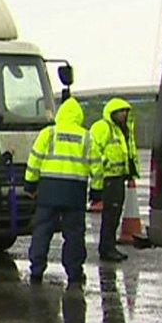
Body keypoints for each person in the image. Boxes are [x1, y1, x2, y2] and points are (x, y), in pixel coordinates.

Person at [24, 97, 102, 289]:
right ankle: (74, 273)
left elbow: (34, 162)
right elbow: (97, 167)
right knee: (74, 235)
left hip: (49, 192)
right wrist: (97, 192)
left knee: (42, 231)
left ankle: (36, 270)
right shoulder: (86, 137)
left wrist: (30, 187)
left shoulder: (49, 134)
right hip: (74, 193)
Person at [90, 97, 138, 262]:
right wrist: (104, 165)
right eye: (120, 111)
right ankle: (106, 248)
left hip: (119, 177)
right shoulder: (102, 128)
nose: (124, 114)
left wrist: (130, 172)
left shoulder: (124, 130)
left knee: (115, 215)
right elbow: (94, 150)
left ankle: (108, 246)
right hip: (108, 178)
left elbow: (129, 152)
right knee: (110, 216)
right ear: (113, 113)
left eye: (126, 111)